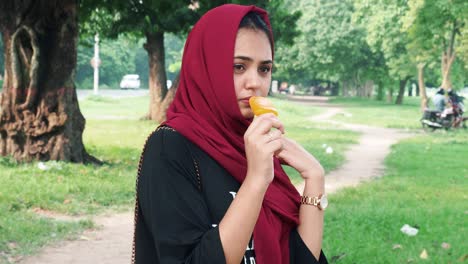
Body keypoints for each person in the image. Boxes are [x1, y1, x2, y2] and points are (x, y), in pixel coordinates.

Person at [132, 4, 328, 264]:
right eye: (238, 67)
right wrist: (256, 181)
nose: (255, 83)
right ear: (205, 67)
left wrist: (314, 177)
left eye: (264, 69)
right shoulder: (171, 147)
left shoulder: (255, 145)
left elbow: (302, 260)